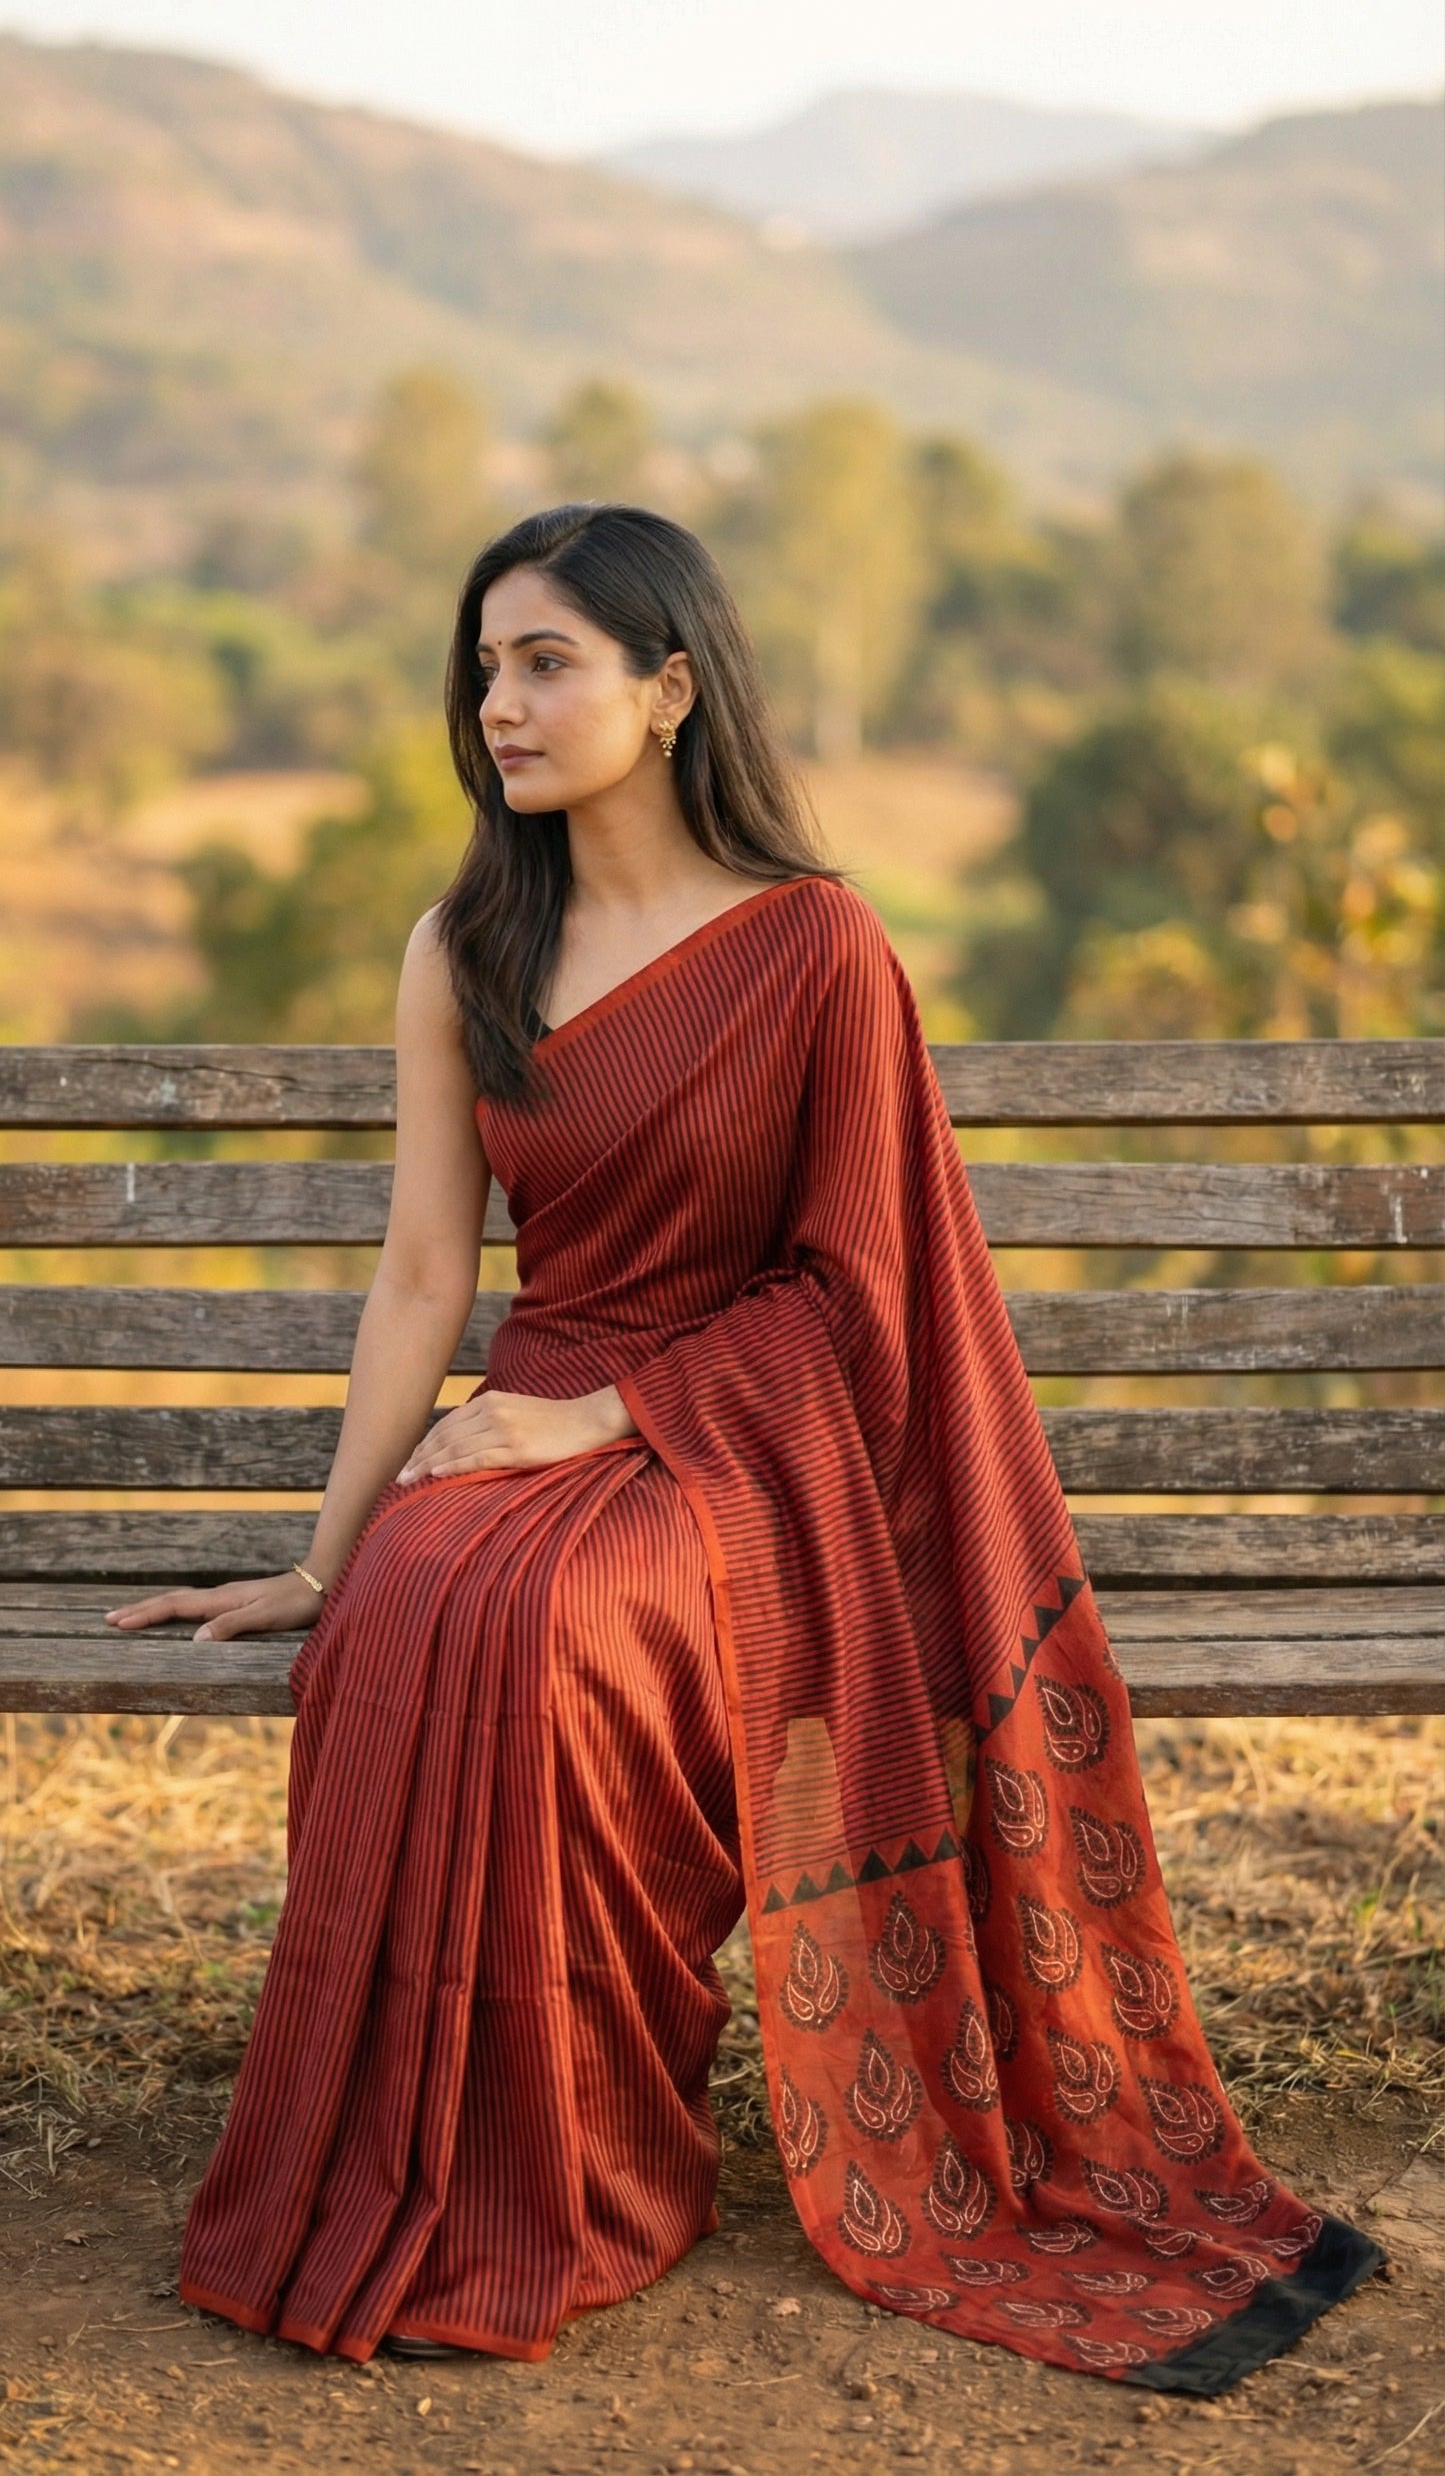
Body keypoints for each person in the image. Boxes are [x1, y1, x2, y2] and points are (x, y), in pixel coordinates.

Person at [108, 504, 1379, 2388]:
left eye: (544, 663)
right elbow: (416, 1274)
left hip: (742, 1447)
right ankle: (413, 2165)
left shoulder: (814, 947)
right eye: (483, 667)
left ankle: (598, 2177)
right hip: (535, 1406)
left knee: (544, 1639)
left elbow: (857, 1294)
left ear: (670, 686)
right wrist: (319, 1551)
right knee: (400, 1616)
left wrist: (607, 1410)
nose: (499, 706)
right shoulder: (466, 942)